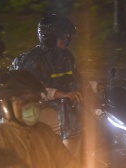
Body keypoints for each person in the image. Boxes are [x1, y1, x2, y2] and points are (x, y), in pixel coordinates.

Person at [10, 14, 86, 159]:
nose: (66, 40)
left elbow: (76, 78)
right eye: (62, 36)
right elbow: (30, 91)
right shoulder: (31, 60)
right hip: (32, 108)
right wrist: (60, 94)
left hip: (60, 105)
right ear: (49, 37)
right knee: (73, 123)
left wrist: (94, 87)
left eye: (68, 36)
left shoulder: (66, 56)